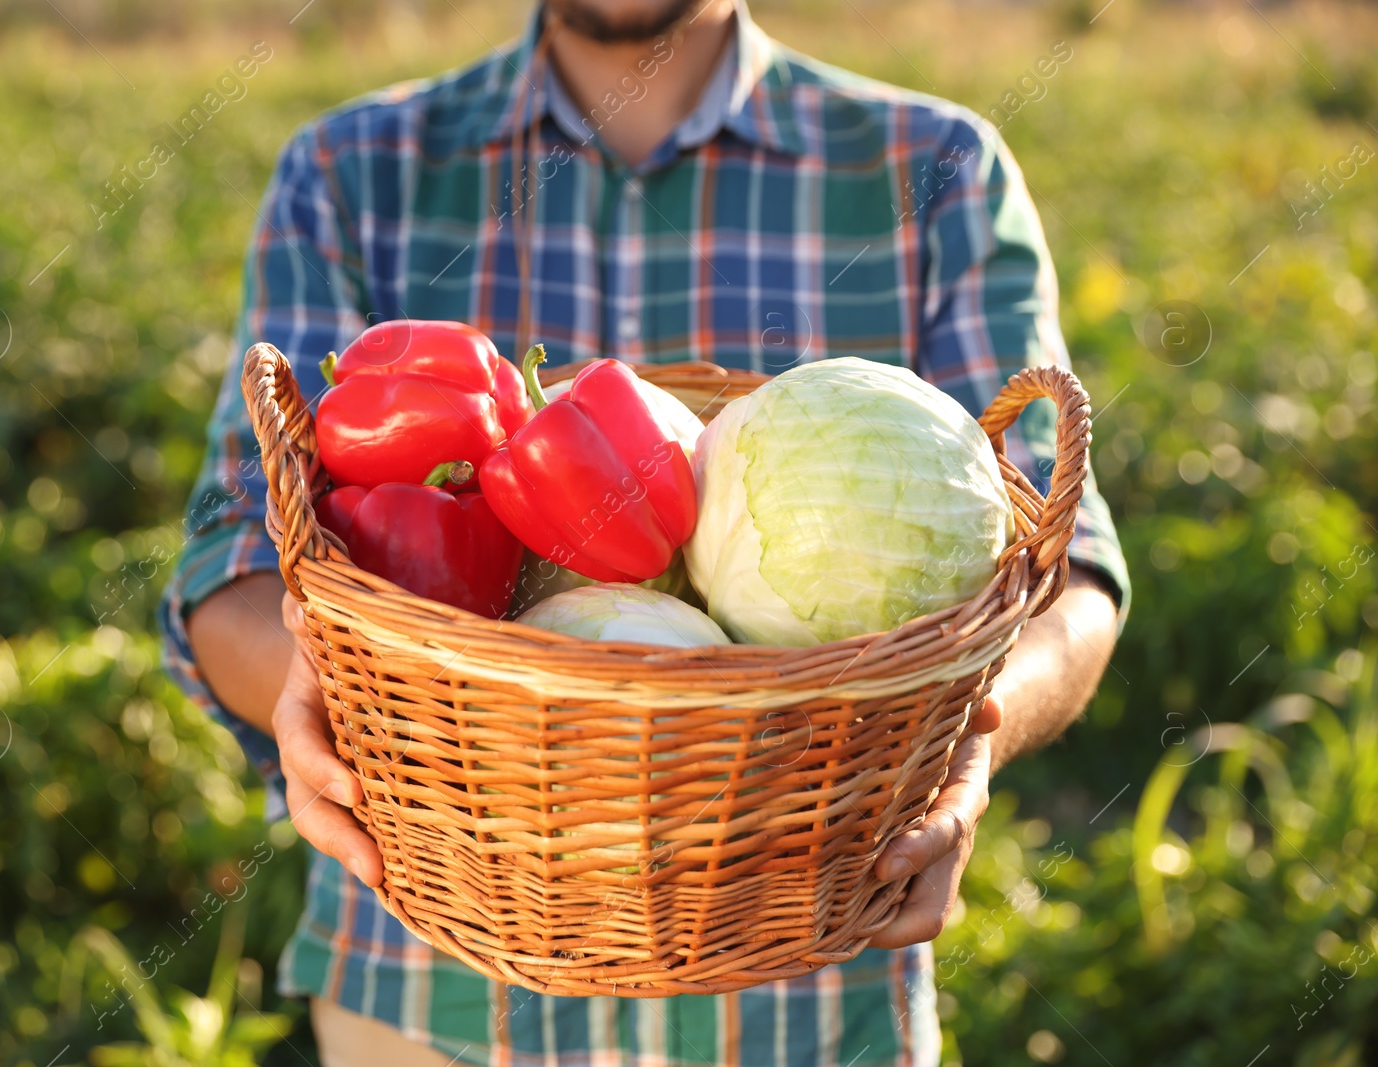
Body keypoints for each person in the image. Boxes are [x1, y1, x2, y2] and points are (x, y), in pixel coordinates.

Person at [161, 1, 1129, 1063]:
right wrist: (329, 696)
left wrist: (968, 744)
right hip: (426, 993)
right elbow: (236, 555)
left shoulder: (937, 166)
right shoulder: (349, 169)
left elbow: (1062, 564)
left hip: (812, 997)